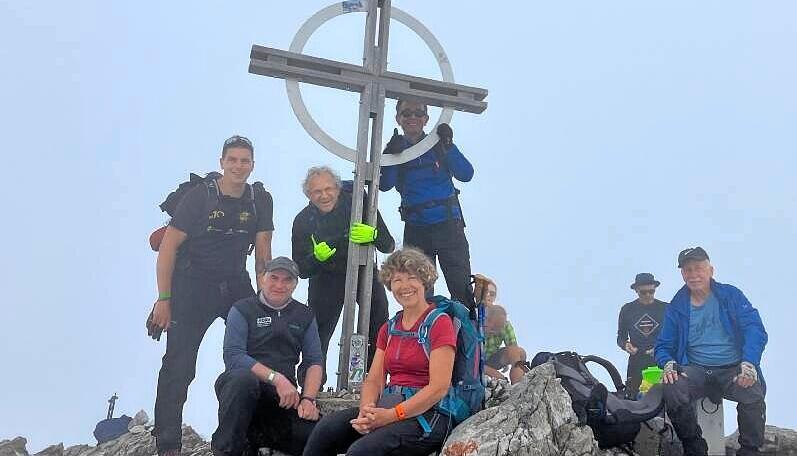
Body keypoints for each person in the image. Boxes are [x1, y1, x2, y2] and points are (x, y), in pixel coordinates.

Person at [149, 135, 274, 456]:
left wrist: (268, 302)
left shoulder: (260, 199)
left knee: (258, 352)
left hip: (234, 282)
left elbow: (262, 255)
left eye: (244, 160)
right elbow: (167, 249)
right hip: (192, 285)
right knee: (179, 363)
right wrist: (164, 299)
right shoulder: (199, 198)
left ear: (253, 165)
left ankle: (250, 437)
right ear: (221, 163)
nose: (238, 166)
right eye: (232, 160)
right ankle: (168, 445)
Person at [302, 247, 456, 456]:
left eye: (412, 278)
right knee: (326, 430)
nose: (404, 286)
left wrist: (391, 415)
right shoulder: (390, 328)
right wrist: (366, 411)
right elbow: (374, 380)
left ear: (424, 282)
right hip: (389, 406)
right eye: (397, 280)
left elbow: (439, 387)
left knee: (362, 451)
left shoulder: (439, 323)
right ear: (390, 286)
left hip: (428, 414)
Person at [656, 247, 768, 456]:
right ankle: (694, 446)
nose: (693, 274)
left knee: (752, 392)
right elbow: (663, 346)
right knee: (673, 387)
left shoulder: (731, 295)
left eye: (698, 268)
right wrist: (668, 363)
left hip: (732, 368)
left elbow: (755, 329)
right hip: (695, 370)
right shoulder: (676, 306)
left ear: (711, 270)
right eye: (688, 270)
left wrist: (749, 363)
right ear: (682, 274)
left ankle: (750, 450)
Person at [211, 257, 322, 456]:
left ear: (295, 284)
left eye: (287, 280)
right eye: (274, 277)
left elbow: (313, 360)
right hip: (244, 392)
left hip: (282, 399)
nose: (279, 285)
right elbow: (234, 356)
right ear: (262, 279)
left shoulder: (304, 315)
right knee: (243, 380)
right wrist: (276, 378)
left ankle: (263, 445)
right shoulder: (241, 309)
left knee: (322, 436)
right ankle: (226, 450)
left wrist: (308, 399)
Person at [291, 166, 394, 380]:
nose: (324, 195)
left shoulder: (358, 201)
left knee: (379, 319)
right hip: (326, 277)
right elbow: (301, 269)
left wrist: (373, 234)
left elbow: (388, 244)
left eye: (329, 189)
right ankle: (312, 387)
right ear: (308, 195)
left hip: (362, 269)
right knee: (318, 332)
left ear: (338, 189)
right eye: (316, 192)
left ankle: (376, 379)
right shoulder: (303, 221)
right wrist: (315, 258)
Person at [380, 99, 475, 309]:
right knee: (417, 288)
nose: (412, 117)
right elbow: (384, 185)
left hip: (449, 225)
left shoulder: (439, 144)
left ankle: (466, 337)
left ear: (426, 119)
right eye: (406, 113)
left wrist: (448, 145)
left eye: (418, 113)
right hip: (417, 228)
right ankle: (422, 337)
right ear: (398, 118)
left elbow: (466, 174)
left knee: (460, 286)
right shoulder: (397, 149)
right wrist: (390, 154)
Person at [617, 272, 667, 399]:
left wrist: (661, 348)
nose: (648, 295)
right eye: (643, 292)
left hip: (659, 360)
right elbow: (621, 336)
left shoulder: (665, 308)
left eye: (651, 291)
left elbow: (675, 336)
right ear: (636, 291)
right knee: (633, 398)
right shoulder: (627, 309)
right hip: (636, 361)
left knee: (661, 398)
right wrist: (626, 345)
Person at [484, 304, 527, 384]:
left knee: (519, 352)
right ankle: (503, 381)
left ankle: (517, 386)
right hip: (474, 361)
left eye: (496, 330)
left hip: (491, 359)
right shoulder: (474, 321)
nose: (492, 333)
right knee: (484, 369)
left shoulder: (505, 326)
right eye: (492, 329)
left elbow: (514, 348)